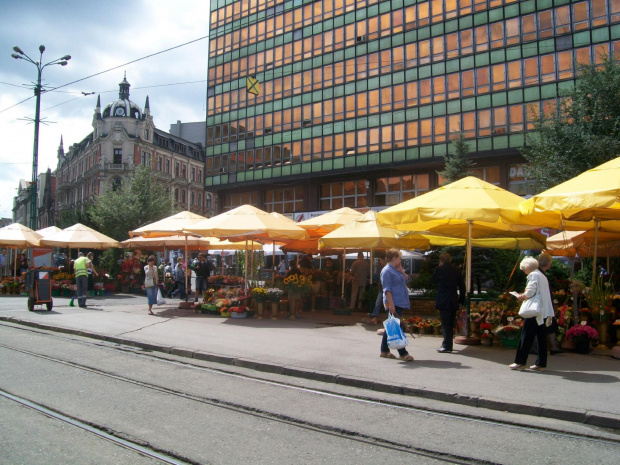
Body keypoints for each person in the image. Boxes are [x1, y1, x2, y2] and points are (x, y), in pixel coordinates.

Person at [509, 257, 555, 372]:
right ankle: (541, 363)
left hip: (534, 311)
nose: (524, 271)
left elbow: (530, 291)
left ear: (528, 267)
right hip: (543, 311)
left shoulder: (533, 275)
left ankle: (520, 362)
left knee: (526, 336)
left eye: (524, 269)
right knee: (541, 337)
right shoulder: (542, 275)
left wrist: (521, 297)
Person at [379, 249, 414, 361]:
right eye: (399, 258)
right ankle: (403, 353)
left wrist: (402, 271)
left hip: (398, 302)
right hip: (393, 302)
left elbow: (408, 280)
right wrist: (391, 304)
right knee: (396, 327)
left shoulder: (395, 270)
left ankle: (384, 351)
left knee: (391, 326)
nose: (400, 260)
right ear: (394, 258)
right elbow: (387, 289)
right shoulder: (387, 271)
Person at [431, 252, 466, 353]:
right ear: (450, 260)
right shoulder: (457, 270)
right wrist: (461, 300)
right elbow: (462, 287)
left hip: (443, 300)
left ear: (441, 261)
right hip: (453, 300)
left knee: (445, 324)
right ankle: (447, 343)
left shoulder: (439, 269)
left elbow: (432, 281)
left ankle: (447, 345)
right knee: (450, 323)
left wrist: (439, 268)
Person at [533, 253, 564, 355]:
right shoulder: (540, 274)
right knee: (545, 324)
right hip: (542, 304)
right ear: (547, 263)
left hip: (542, 304)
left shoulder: (539, 273)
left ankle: (548, 346)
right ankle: (547, 347)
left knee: (548, 324)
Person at [366, 254, 387, 325]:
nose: (379, 261)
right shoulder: (381, 267)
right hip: (381, 289)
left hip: (385, 289)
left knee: (384, 303)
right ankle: (375, 316)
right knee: (378, 303)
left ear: (385, 260)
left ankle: (377, 317)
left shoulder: (387, 268)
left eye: (380, 260)